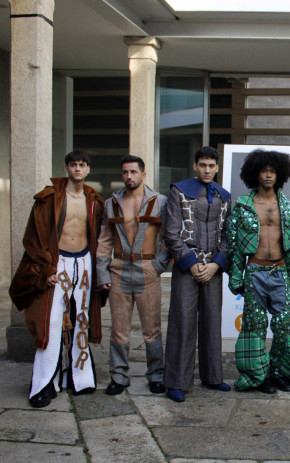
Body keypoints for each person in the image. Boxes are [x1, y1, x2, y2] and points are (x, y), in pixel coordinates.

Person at [10, 151, 105, 408]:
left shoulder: (94, 200)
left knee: (81, 320)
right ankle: (43, 385)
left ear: (87, 170)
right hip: (58, 262)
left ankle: (79, 379)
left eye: (82, 165)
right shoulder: (49, 198)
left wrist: (103, 272)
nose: (77, 169)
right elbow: (33, 238)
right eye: (73, 164)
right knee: (50, 322)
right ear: (66, 168)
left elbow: (102, 239)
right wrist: (47, 268)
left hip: (84, 262)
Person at [227, 149, 290, 394]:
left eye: (273, 171)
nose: (269, 175)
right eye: (264, 170)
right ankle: (256, 376)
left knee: (285, 327)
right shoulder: (243, 206)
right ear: (255, 173)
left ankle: (280, 373)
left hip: (280, 272)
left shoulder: (289, 207)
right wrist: (235, 277)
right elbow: (234, 246)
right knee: (254, 325)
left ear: (280, 174)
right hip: (254, 273)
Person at [97, 155, 171, 396]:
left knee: (152, 330)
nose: (129, 176)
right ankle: (118, 377)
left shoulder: (160, 202)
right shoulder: (112, 202)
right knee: (119, 329)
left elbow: (170, 239)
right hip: (118, 271)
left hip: (147, 270)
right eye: (125, 172)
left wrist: (158, 266)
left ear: (143, 174)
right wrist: (102, 272)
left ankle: (156, 376)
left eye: (133, 172)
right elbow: (104, 240)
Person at [163, 147, 232, 402]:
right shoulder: (178, 191)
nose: (207, 170)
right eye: (202, 165)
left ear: (217, 168)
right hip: (186, 267)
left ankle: (213, 376)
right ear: (195, 166)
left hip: (213, 268)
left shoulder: (225, 196)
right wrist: (191, 264)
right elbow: (171, 232)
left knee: (212, 321)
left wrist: (216, 264)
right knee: (182, 321)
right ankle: (176, 381)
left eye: (211, 166)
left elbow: (228, 236)